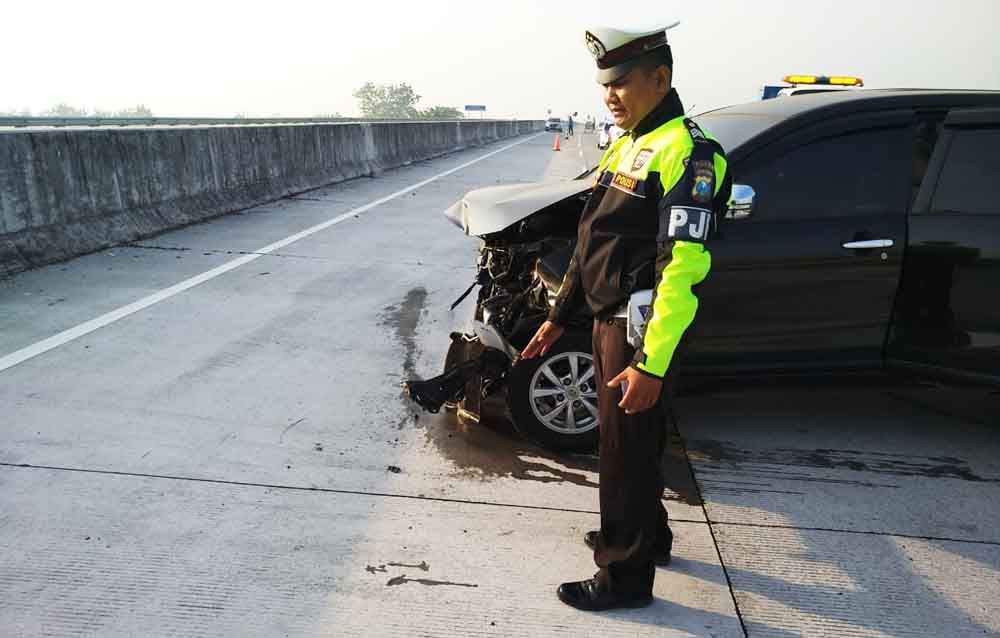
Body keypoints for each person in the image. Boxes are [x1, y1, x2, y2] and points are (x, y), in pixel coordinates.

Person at [520, 22, 730, 611]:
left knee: (622, 450)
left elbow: (680, 270)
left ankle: (623, 575)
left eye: (622, 83)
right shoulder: (631, 141)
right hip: (606, 319)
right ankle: (647, 536)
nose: (611, 95)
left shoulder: (687, 152)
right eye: (604, 85)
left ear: (660, 79)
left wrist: (651, 362)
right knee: (637, 443)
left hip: (641, 330)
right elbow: (595, 239)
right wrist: (560, 316)